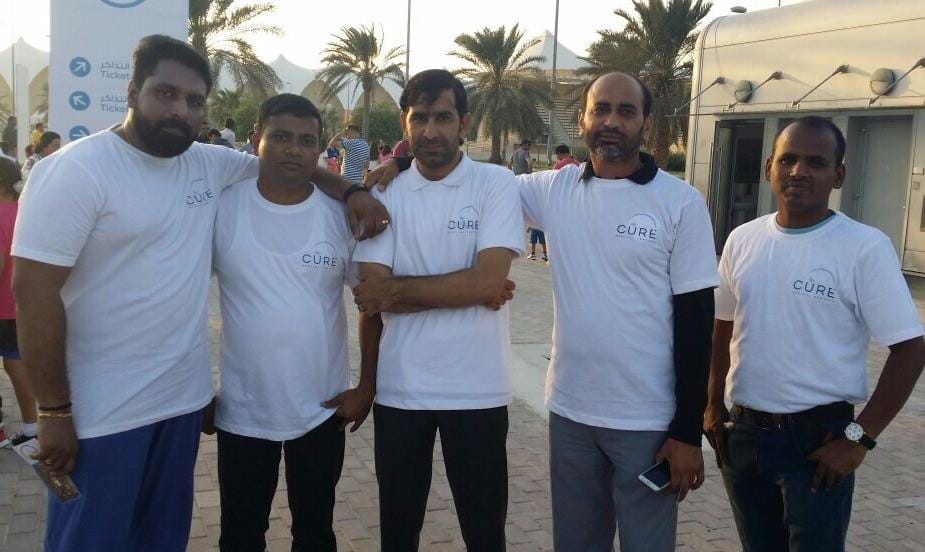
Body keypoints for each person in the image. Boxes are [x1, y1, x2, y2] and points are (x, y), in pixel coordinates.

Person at [11, 34, 387, 551]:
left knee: (162, 540)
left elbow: (295, 166)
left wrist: (355, 189)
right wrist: (53, 411)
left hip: (180, 408)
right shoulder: (76, 170)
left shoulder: (208, 164)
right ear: (132, 91)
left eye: (193, 101)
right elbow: (31, 293)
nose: (179, 110)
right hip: (101, 414)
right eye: (165, 93)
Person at [367, 71, 718, 552]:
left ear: (647, 124)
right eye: (600, 110)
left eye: (626, 111)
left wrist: (686, 431)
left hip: (649, 419)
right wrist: (401, 162)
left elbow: (698, 323)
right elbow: (455, 171)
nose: (612, 121)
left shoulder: (680, 203)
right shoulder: (553, 189)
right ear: (583, 120)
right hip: (571, 411)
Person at [704, 116, 925, 552]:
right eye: (787, 159)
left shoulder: (863, 247)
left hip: (819, 443)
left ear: (838, 175)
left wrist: (859, 439)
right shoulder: (742, 240)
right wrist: (711, 405)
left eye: (816, 162)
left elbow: (911, 348)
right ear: (769, 167)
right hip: (744, 436)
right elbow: (722, 327)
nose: (798, 171)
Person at [352, 69, 523, 551]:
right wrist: (466, 288)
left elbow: (487, 280)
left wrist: (401, 292)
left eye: (443, 118)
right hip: (401, 391)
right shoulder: (384, 193)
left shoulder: (495, 183)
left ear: (464, 123)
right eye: (420, 118)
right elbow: (370, 295)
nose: (431, 131)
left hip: (479, 391)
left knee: (484, 533)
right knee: (398, 531)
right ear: (404, 123)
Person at [211, 93, 376, 551]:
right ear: (256, 139)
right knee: (240, 536)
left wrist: (366, 386)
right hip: (243, 411)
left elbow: (372, 304)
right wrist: (195, 388)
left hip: (322, 410)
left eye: (307, 141)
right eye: (281, 136)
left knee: (316, 534)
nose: (294, 149)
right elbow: (181, 300)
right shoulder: (223, 207)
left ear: (321, 148)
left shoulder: (340, 216)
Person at [0, 158, 36, 448]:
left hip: (2, 306)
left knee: (15, 366)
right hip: (21, 304)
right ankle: (32, 426)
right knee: (17, 364)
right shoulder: (25, 211)